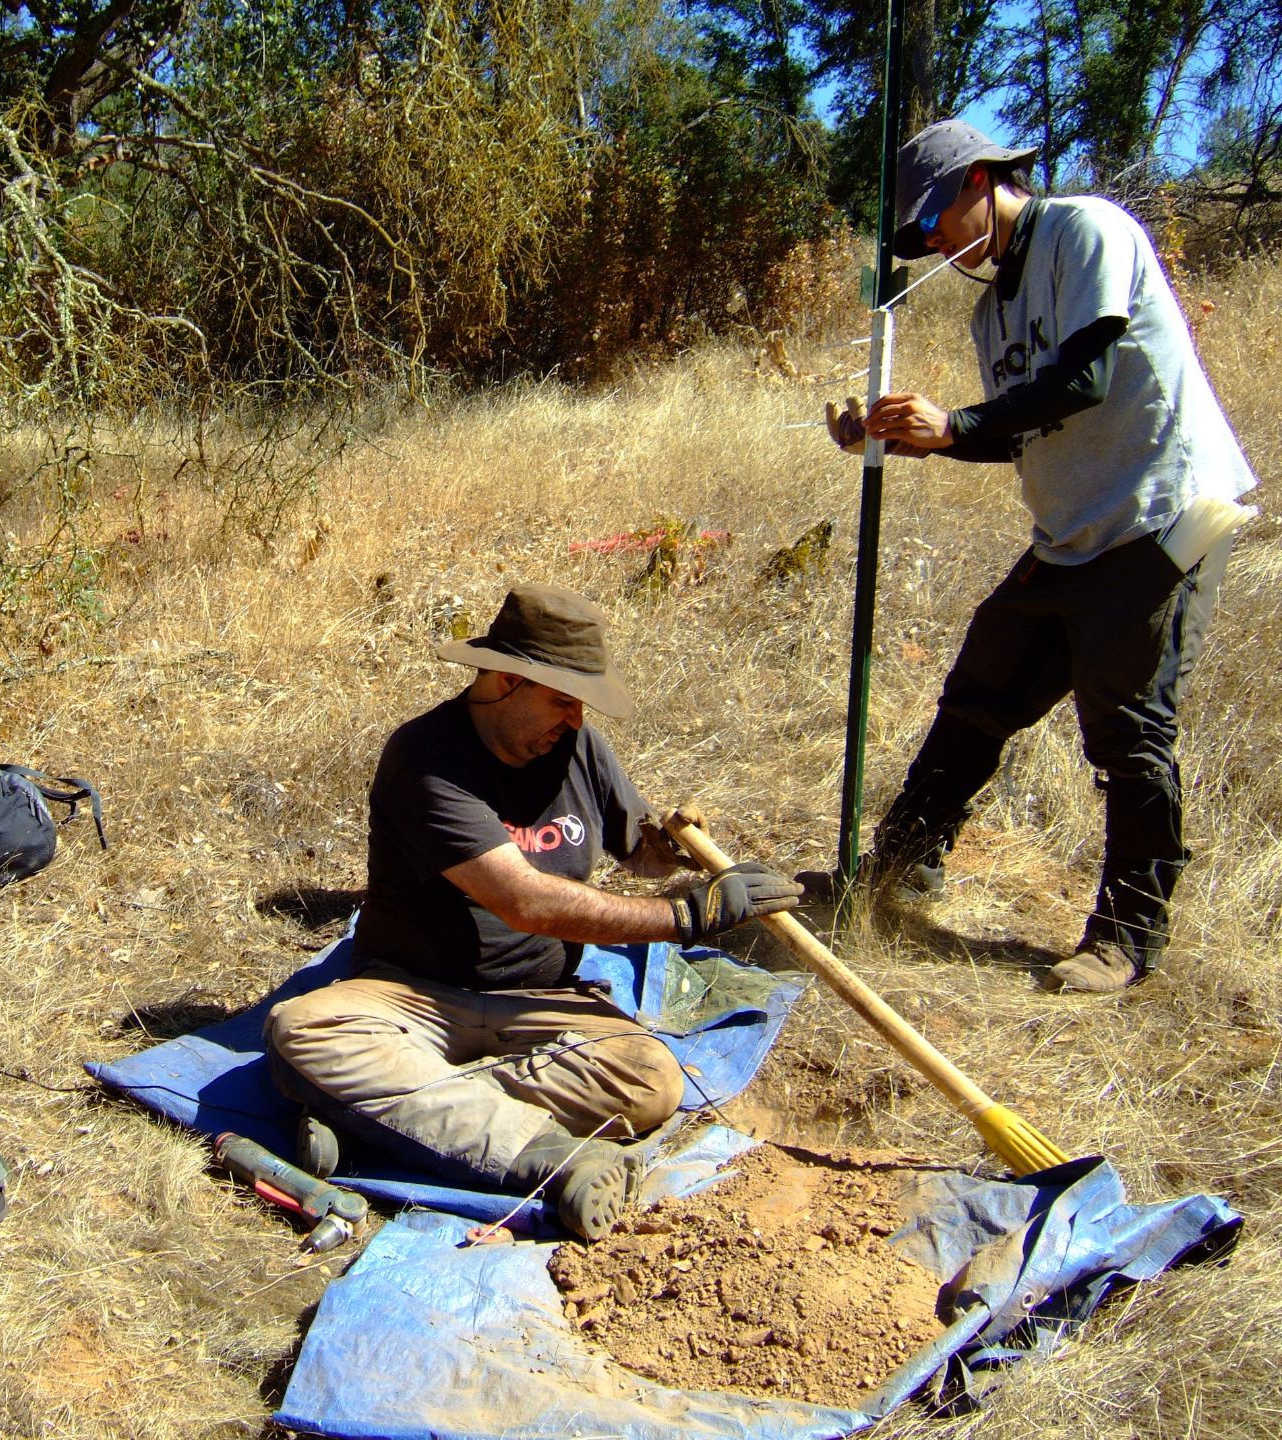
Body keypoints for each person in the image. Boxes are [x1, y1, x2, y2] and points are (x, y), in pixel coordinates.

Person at [823, 119, 1259, 993]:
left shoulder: (1085, 230)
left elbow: (1083, 380)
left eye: (935, 220)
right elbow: (1024, 431)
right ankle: (899, 865)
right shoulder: (991, 312)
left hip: (1158, 517)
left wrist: (956, 423)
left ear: (980, 180)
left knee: (1128, 729)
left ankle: (1127, 936)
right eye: (922, 236)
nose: (936, 243)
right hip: (1068, 536)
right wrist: (915, 439)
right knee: (979, 691)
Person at [265, 584, 802, 1240]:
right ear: (504, 682)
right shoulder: (426, 759)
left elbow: (636, 852)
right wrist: (685, 919)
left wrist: (668, 851)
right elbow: (523, 901)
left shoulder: (580, 748)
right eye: (562, 699)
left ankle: (391, 1116)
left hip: (541, 1002)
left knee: (651, 1079)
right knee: (304, 1029)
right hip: (413, 996)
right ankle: (550, 1156)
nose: (574, 719)